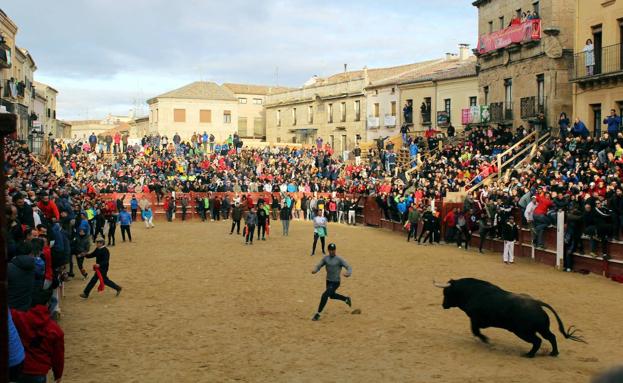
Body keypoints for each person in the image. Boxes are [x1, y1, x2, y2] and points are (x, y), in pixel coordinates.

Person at [11, 305, 65, 383]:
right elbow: (58, 356)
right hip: (39, 372)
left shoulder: (19, 317)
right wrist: (58, 374)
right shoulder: (56, 330)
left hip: (21, 368)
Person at [310, 243, 352, 321]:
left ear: (335, 250)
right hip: (328, 281)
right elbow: (319, 265)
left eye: (334, 250)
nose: (332, 251)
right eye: (331, 250)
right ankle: (346, 299)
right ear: (328, 250)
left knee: (324, 295)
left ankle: (318, 314)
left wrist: (348, 273)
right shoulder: (325, 258)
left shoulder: (339, 259)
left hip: (336, 282)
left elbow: (348, 267)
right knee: (331, 296)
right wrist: (315, 270)